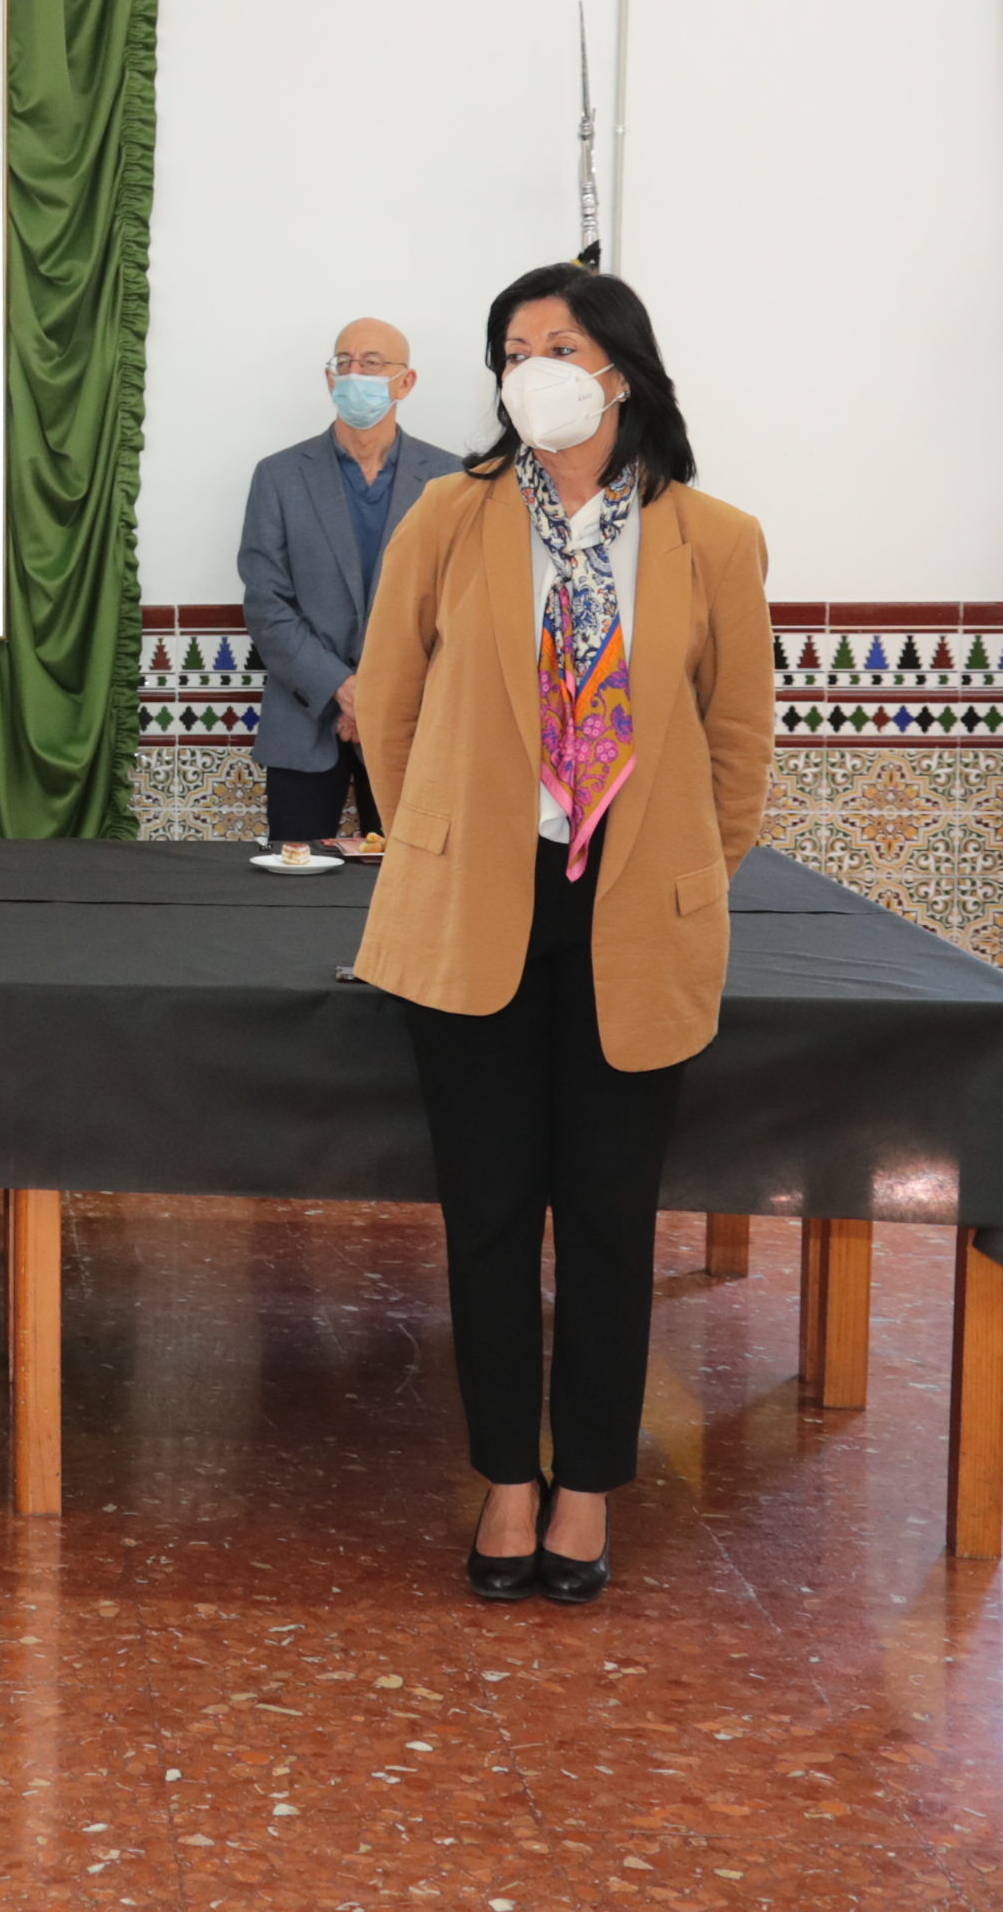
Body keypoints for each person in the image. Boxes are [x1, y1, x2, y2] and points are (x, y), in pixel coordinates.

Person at [348, 265, 773, 1605]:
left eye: (561, 344)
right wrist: (446, 834)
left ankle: (586, 1483)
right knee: (487, 1215)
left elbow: (736, 743)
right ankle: (505, 1479)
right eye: (514, 346)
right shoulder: (450, 517)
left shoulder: (713, 536)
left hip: (633, 913)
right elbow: (391, 704)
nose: (533, 363)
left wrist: (672, 870)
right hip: (479, 902)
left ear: (622, 371)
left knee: (607, 1212)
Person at [239, 318, 463, 850]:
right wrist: (344, 690)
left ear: (405, 383)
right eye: (344, 363)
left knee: (407, 884)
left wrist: (382, 698)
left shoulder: (451, 480)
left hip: (414, 726)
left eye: (372, 363)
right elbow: (267, 604)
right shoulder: (279, 476)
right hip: (303, 720)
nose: (354, 373)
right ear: (329, 378)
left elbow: (458, 608)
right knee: (293, 890)